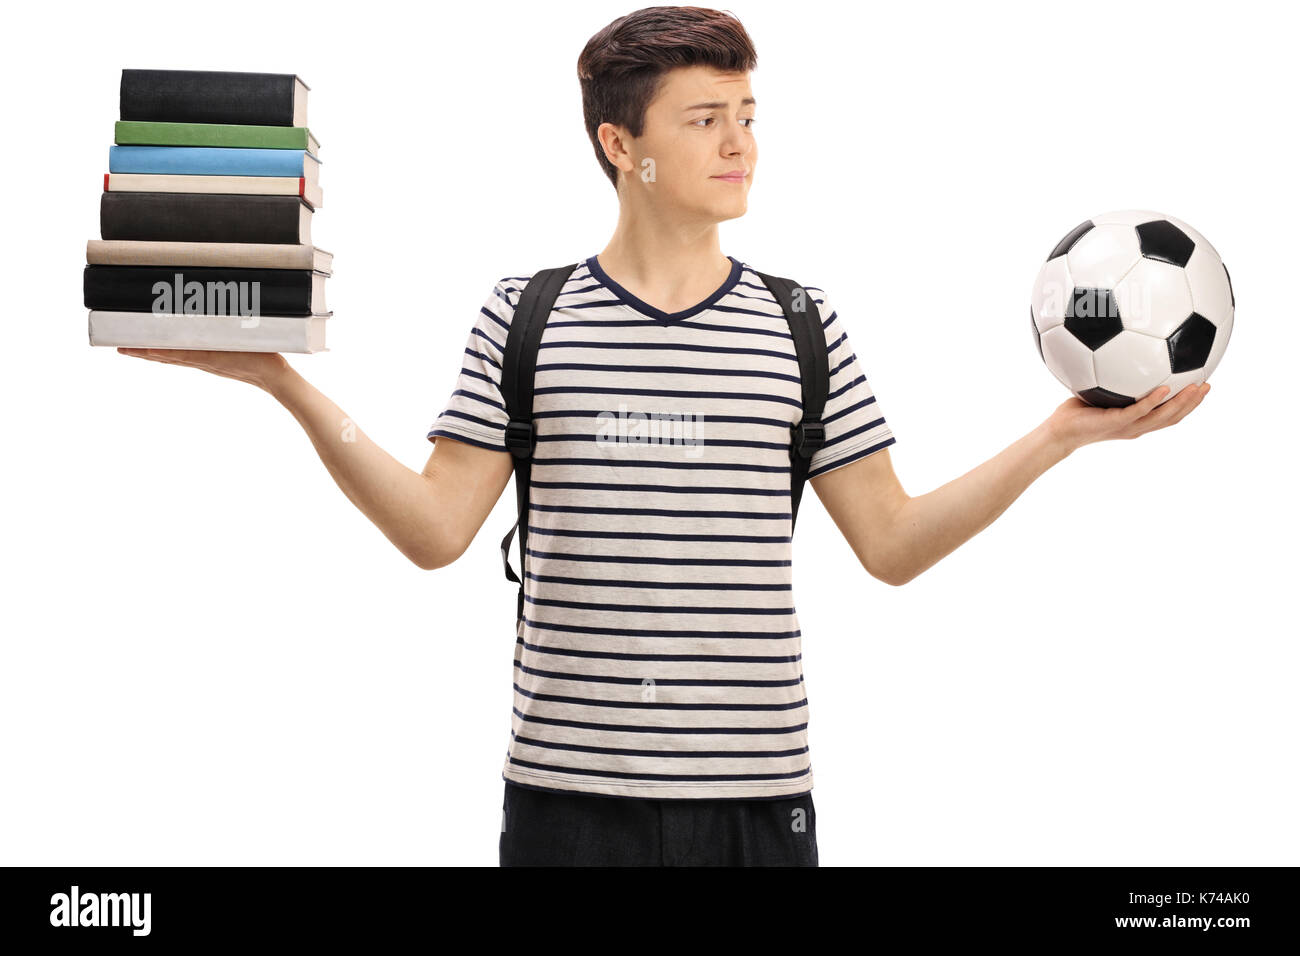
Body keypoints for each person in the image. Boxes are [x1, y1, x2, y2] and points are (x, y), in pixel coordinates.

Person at [115, 6, 1210, 866]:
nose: (740, 142)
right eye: (704, 118)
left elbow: (890, 543)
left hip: (755, 808)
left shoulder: (800, 321)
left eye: (747, 113)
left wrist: (1056, 437)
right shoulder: (525, 312)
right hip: (565, 810)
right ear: (619, 142)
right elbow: (436, 528)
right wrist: (283, 385)